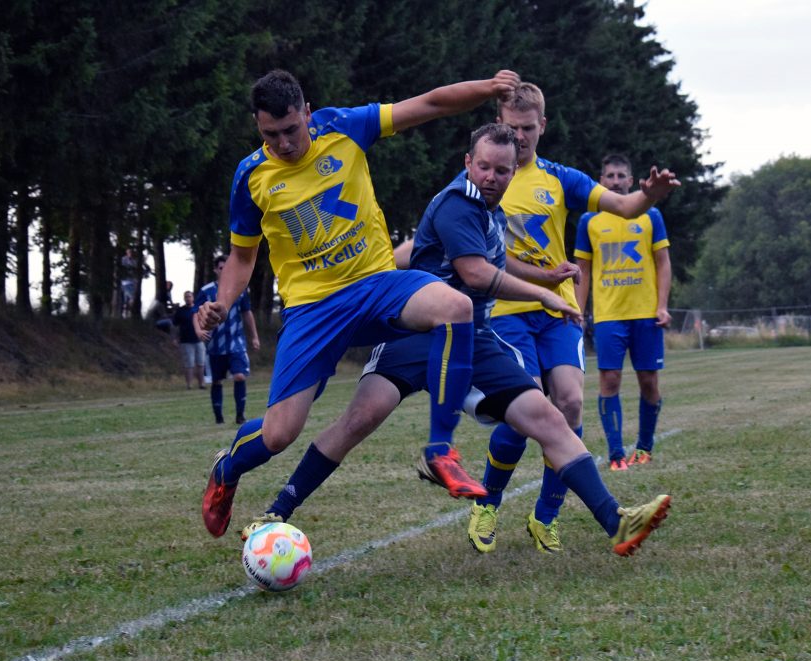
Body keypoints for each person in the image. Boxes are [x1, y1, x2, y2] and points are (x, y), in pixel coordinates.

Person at [239, 124, 672, 558]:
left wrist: (544, 276)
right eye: (483, 166)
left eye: (501, 170)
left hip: (471, 340)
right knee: (358, 420)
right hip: (414, 335)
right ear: (468, 163)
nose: (491, 177)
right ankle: (278, 511)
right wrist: (544, 294)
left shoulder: (490, 214)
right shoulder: (458, 204)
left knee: (549, 419)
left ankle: (616, 521)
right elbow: (475, 274)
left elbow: (487, 261)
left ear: (511, 172)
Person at [198, 68, 523, 538]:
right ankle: (227, 469)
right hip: (313, 311)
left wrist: (487, 90)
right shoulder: (251, 177)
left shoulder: (345, 126)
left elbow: (429, 102)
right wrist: (223, 302)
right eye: (272, 134)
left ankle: (440, 449)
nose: (286, 143)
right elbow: (241, 256)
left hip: (376, 285)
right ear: (258, 126)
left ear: (308, 113)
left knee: (455, 308)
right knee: (278, 434)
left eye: (292, 129)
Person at [468, 82, 679, 553]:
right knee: (523, 409)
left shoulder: (559, 178)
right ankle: (487, 503)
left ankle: (546, 515)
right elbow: (485, 254)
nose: (519, 137)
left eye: (528, 128)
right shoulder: (484, 177)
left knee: (570, 403)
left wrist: (649, 195)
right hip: (506, 312)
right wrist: (541, 274)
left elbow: (625, 206)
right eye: (511, 128)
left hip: (557, 309)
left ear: (543, 126)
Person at [574, 154, 672, 470]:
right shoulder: (589, 221)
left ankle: (644, 448)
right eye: (610, 176)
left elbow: (662, 262)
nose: (615, 181)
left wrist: (662, 306)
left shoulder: (651, 216)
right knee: (609, 380)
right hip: (608, 315)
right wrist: (577, 309)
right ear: (601, 181)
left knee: (648, 382)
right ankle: (616, 455)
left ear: (631, 180)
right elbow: (583, 270)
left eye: (621, 176)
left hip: (645, 314)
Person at [195, 256, 261, 424]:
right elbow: (196, 313)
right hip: (215, 344)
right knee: (216, 380)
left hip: (236, 343)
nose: (224, 271)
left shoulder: (239, 289)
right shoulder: (206, 291)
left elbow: (247, 313)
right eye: (221, 268)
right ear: (216, 270)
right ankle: (219, 417)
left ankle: (240, 415)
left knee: (239, 376)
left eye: (227, 267)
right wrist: (198, 330)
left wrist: (254, 336)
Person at [172, 290, 206, 390]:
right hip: (186, 341)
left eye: (189, 296)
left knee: (201, 363)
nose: (188, 298)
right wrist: (174, 338)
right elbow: (175, 326)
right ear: (184, 298)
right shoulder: (180, 311)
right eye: (186, 297)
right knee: (189, 364)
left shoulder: (198, 309)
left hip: (199, 340)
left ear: (193, 298)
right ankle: (189, 385)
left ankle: (202, 384)